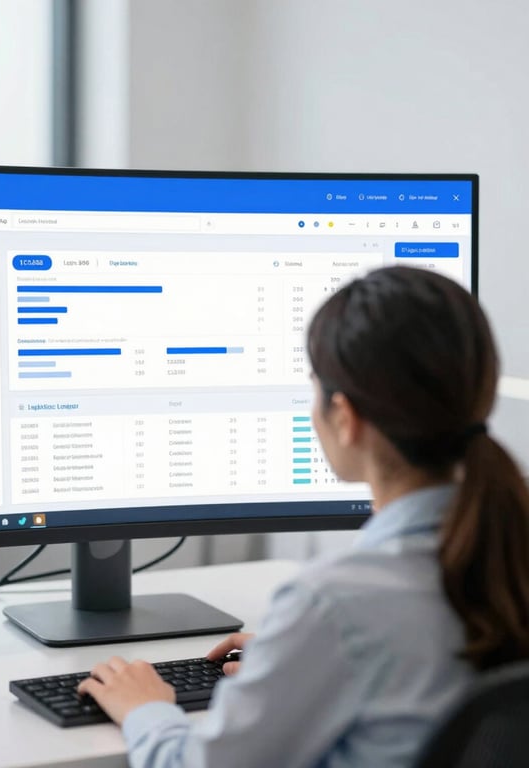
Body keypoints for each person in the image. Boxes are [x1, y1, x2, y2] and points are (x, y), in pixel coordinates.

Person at [78, 266, 529, 767]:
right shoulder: (506, 548)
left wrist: (146, 710)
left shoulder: (336, 602)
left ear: (345, 416)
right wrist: (295, 659)